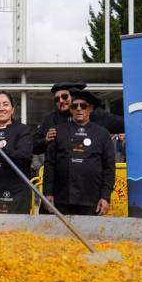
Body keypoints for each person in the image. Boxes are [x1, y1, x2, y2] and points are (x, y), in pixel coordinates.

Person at [43, 88, 116, 216]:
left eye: (83, 106)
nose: (78, 109)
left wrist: (105, 197)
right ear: (70, 109)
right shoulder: (57, 131)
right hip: (61, 198)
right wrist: (47, 193)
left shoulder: (103, 134)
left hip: (91, 199)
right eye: (74, 106)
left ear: (90, 109)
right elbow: (49, 164)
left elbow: (109, 168)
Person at [32, 81, 124, 155]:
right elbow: (33, 146)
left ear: (74, 96)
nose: (61, 101)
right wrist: (45, 141)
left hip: (90, 170)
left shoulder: (95, 114)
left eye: (64, 97)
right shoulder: (50, 119)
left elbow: (123, 124)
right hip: (61, 173)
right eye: (57, 99)